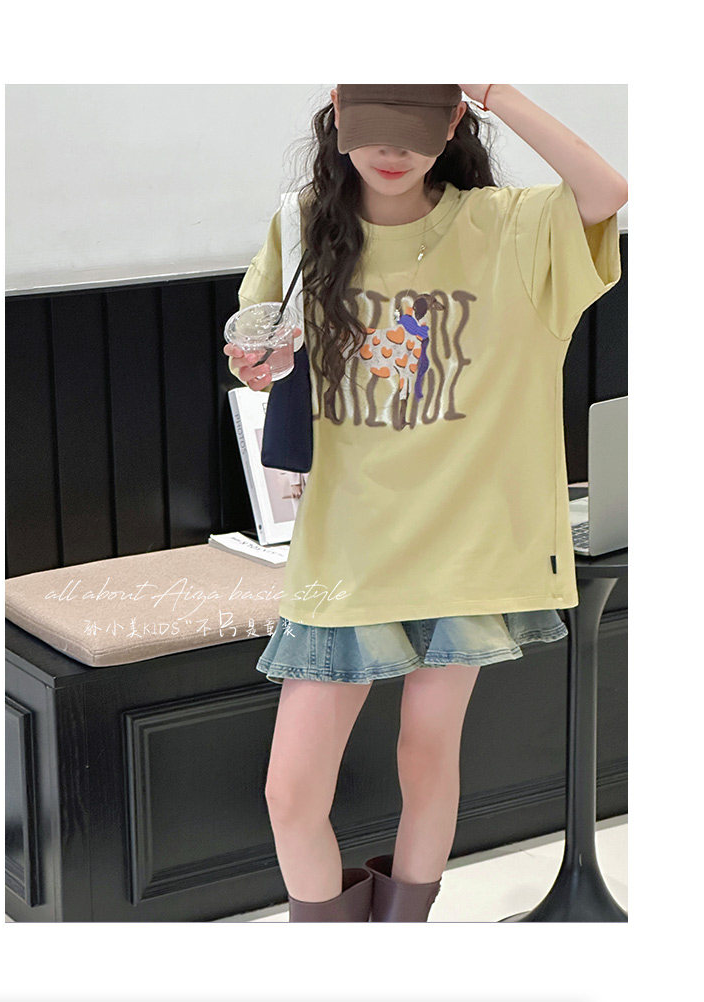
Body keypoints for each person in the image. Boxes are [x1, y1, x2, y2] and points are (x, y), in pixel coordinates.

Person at [224, 84, 627, 922]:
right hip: (346, 547)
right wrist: (255, 363)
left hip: (466, 545)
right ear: (339, 115)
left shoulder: (508, 228)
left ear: (452, 124)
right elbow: (257, 340)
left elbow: (606, 191)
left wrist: (494, 89)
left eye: (416, 129)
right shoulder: (302, 226)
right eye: (375, 127)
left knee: (426, 753)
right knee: (290, 792)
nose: (392, 151)